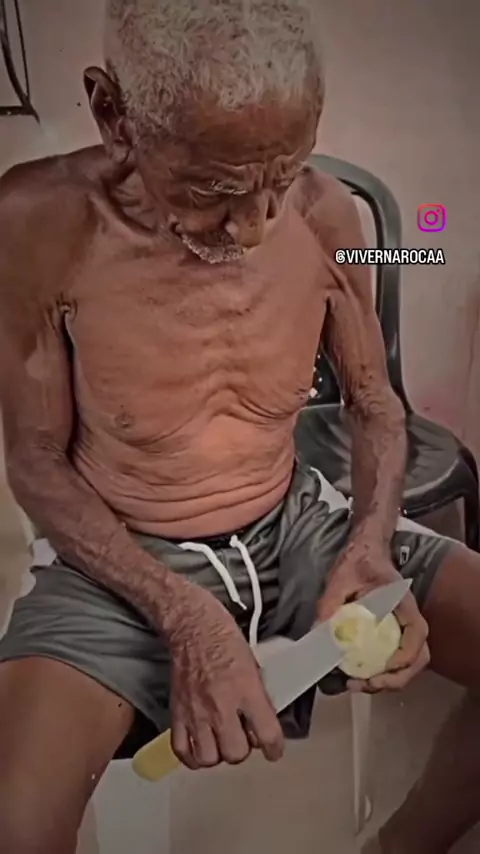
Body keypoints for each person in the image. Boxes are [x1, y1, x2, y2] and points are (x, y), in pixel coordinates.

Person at [0, 1, 479, 852]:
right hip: (121, 554)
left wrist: (370, 544)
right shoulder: (36, 222)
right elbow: (35, 461)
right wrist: (181, 612)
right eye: (213, 191)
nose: (254, 228)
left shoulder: (329, 217)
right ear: (114, 116)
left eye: (280, 181)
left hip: (297, 519)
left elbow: (374, 403)